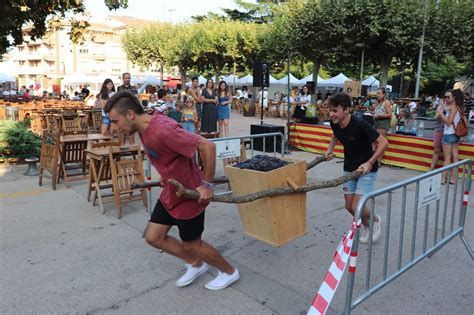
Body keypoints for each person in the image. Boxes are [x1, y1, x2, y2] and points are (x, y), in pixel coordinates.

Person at [104, 91, 240, 290]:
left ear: (131, 114)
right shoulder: (143, 127)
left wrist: (207, 186)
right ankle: (196, 264)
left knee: (192, 244)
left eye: (116, 121)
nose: (115, 128)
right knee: (154, 237)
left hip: (189, 195)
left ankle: (229, 272)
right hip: (172, 191)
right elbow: (167, 156)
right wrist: (166, 176)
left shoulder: (163, 130)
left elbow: (207, 146)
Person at [324, 92, 388, 243]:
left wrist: (370, 162)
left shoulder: (359, 124)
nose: (331, 114)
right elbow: (335, 135)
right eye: (330, 110)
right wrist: (330, 149)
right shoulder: (334, 122)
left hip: (366, 169)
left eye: (335, 110)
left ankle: (376, 221)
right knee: (349, 206)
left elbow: (384, 142)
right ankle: (367, 225)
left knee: (356, 206)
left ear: (347, 110)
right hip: (349, 167)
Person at [437, 89, 463, 185]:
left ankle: (443, 179)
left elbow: (448, 122)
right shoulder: (459, 107)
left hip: (449, 134)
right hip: (456, 135)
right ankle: (453, 179)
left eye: (449, 97)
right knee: (455, 157)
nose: (447, 99)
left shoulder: (453, 108)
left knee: (447, 158)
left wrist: (440, 113)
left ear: (454, 98)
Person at [372, 88, 392, 161]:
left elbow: (390, 115)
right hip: (376, 122)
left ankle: (378, 161)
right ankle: (374, 158)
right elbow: (376, 113)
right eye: (377, 93)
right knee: (373, 140)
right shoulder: (377, 103)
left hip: (383, 123)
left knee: (380, 142)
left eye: (379, 93)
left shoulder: (387, 102)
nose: (378, 95)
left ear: (383, 94)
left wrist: (379, 116)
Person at [430, 98, 445, 170]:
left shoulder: (454, 107)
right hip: (439, 130)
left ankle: (446, 173)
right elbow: (435, 117)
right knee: (436, 150)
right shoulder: (441, 106)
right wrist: (439, 114)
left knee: (447, 153)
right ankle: (431, 169)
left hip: (448, 131)